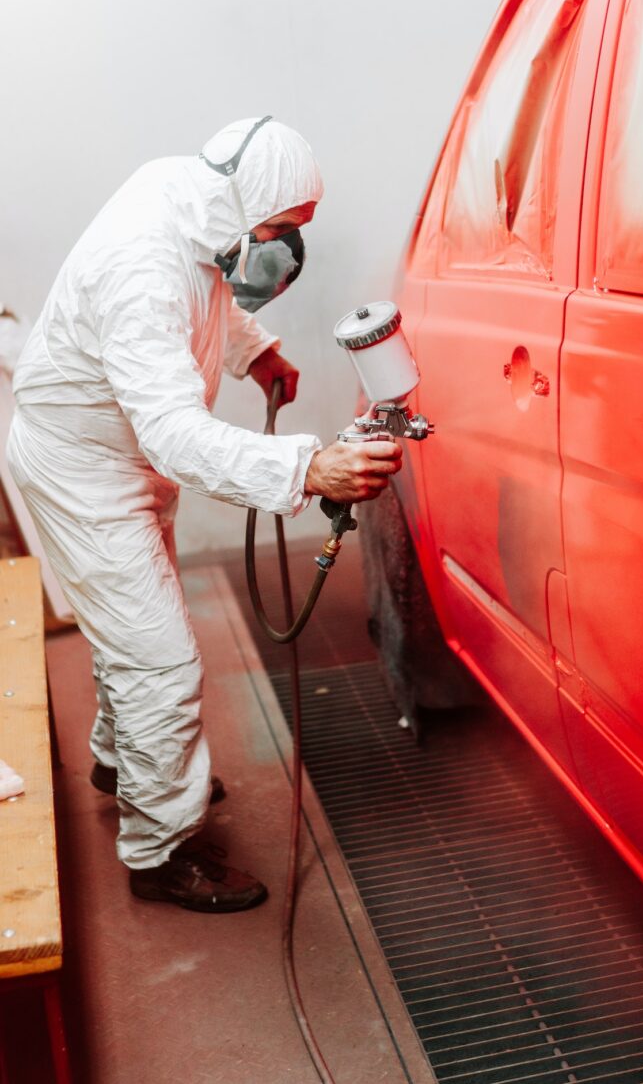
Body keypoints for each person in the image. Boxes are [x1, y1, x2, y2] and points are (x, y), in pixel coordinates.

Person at [5, 116, 402, 913]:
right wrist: (308, 465)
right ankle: (160, 851)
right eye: (281, 231)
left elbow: (212, 283)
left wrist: (254, 350)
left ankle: (128, 764)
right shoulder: (140, 269)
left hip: (116, 454)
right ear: (244, 207)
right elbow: (178, 434)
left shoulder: (190, 201)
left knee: (134, 627)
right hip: (88, 469)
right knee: (161, 660)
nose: (288, 249)